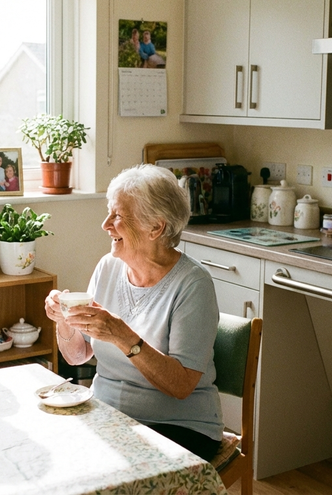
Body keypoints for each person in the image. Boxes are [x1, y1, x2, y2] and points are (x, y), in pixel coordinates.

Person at [44, 164, 222, 461]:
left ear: (156, 227)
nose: (105, 225)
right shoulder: (108, 267)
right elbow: (77, 357)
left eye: (118, 216)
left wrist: (122, 336)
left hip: (179, 427)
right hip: (109, 415)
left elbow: (180, 386)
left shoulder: (193, 284)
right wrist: (64, 322)